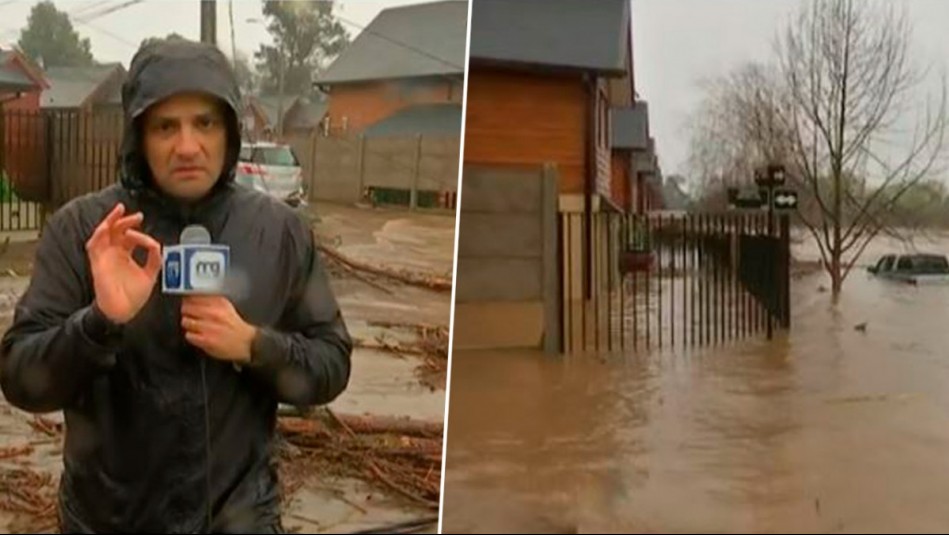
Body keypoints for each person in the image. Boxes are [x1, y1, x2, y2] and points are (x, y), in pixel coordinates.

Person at [0, 37, 353, 533]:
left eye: (204, 123)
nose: (187, 146)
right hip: (107, 523)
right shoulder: (85, 231)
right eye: (166, 126)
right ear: (138, 136)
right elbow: (20, 379)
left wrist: (255, 345)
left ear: (229, 130)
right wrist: (98, 323)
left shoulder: (280, 233)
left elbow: (332, 365)